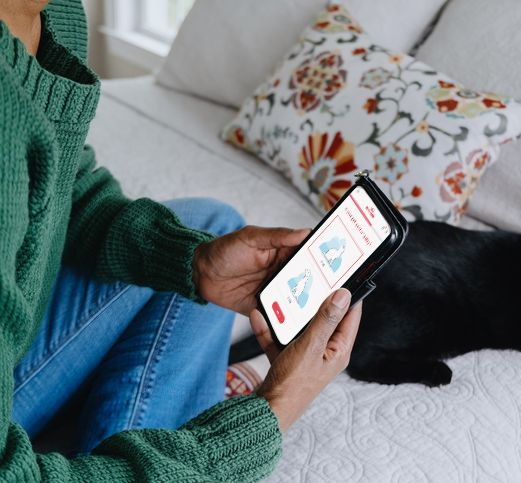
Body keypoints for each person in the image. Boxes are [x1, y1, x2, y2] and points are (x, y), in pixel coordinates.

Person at [0, 0, 362, 480]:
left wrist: (193, 261)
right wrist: (269, 413)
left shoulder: (50, 12)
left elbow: (58, 186)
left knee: (211, 223)